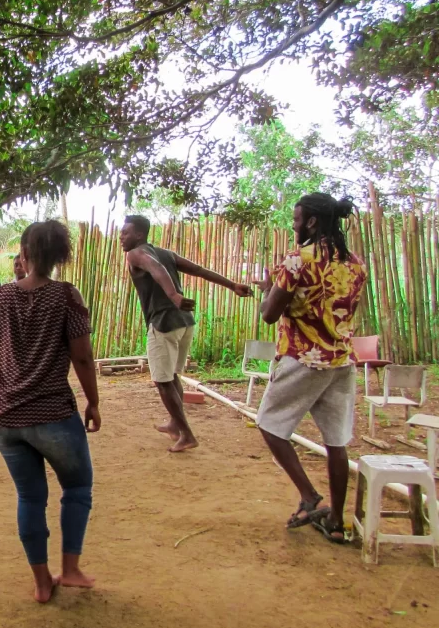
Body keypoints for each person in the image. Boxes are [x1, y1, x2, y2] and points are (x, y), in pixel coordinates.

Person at [0, 221, 101, 604]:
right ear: (60, 255)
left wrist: (5, 387)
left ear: (25, 253)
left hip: (6, 418)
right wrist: (93, 401)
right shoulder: (67, 297)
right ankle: (69, 570)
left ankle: (40, 582)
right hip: (52, 412)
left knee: (30, 498)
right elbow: (81, 356)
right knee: (78, 487)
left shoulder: (1, 298)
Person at [255, 194, 366, 545]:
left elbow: (270, 313)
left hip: (304, 359)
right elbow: (324, 301)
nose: (294, 224)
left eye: (298, 218)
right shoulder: (356, 263)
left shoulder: (297, 260)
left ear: (313, 222)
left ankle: (308, 495)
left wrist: (268, 295)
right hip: (342, 361)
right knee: (336, 441)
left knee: (270, 425)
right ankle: (335, 521)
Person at [120, 214, 252, 452]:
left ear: (139, 234)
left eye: (126, 232)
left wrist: (173, 296)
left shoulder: (136, 254)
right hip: (184, 322)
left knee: (162, 382)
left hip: (164, 324)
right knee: (172, 376)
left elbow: (155, 267)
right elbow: (198, 270)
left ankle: (187, 434)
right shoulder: (166, 252)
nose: (121, 237)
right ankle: (174, 424)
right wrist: (232, 285)